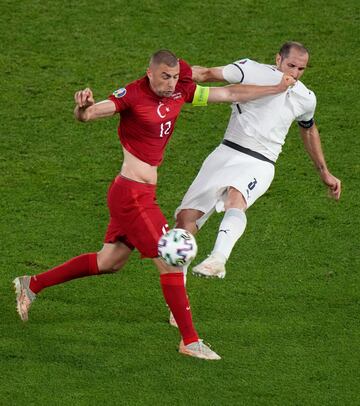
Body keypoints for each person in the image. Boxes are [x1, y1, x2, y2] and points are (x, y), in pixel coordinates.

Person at [13, 49, 294, 360]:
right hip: (131, 196)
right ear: (150, 73)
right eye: (164, 77)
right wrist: (84, 109)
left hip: (139, 194)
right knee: (170, 260)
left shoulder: (179, 92)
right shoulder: (132, 95)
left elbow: (228, 93)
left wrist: (275, 88)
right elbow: (94, 113)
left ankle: (31, 283)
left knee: (110, 261)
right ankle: (189, 340)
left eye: (175, 76)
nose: (171, 83)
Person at [175, 41, 341, 280]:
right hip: (225, 153)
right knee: (185, 221)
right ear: (278, 60)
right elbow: (207, 73)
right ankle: (178, 296)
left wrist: (324, 172)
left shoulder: (306, 98)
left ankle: (218, 259)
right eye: (291, 65)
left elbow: (309, 129)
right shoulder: (250, 70)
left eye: (301, 69)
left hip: (260, 162)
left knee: (236, 198)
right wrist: (169, 75)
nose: (294, 73)